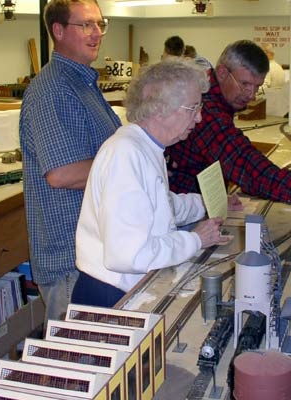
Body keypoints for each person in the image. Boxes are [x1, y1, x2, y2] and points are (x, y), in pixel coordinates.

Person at [73, 60, 229, 307]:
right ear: (160, 109)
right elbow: (129, 255)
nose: (199, 117)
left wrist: (207, 203)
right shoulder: (126, 154)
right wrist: (195, 240)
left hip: (125, 287)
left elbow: (160, 205)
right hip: (111, 296)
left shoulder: (146, 147)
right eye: (193, 108)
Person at [19, 0, 122, 321]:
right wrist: (130, 166)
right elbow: (62, 174)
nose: (97, 33)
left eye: (100, 24)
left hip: (96, 252)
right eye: (86, 25)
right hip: (71, 263)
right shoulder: (52, 90)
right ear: (58, 31)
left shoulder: (83, 85)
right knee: (78, 349)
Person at [166, 39, 291, 216]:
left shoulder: (212, 94)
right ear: (222, 73)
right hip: (180, 211)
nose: (251, 95)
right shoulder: (207, 109)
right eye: (245, 84)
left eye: (257, 86)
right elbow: (243, 161)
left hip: (192, 201)